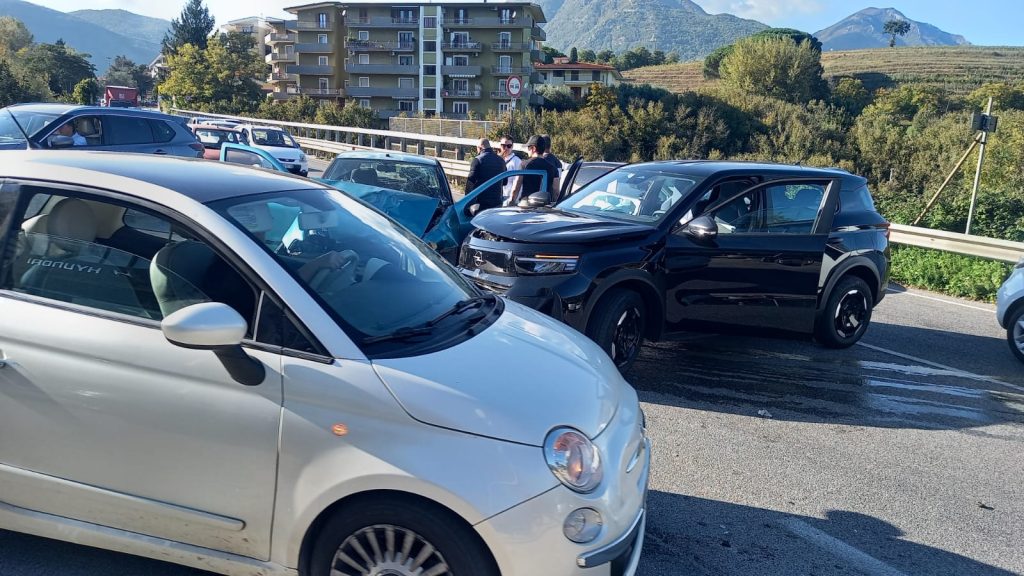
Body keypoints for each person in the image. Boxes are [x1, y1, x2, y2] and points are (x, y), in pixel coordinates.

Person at [464, 138, 506, 214]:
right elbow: (505, 182)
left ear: (479, 148)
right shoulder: (501, 160)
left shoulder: (477, 160)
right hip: (497, 201)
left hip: (481, 203)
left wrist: (466, 202)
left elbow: (470, 183)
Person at [520, 135, 559, 204]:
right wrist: (556, 204)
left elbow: (516, 187)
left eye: (528, 148)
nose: (527, 150)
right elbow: (556, 191)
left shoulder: (524, 165)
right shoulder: (553, 168)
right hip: (544, 206)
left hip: (527, 205)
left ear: (533, 148)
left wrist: (511, 201)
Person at [498, 134, 522, 205]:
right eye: (503, 146)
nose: (506, 148)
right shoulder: (497, 160)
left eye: (509, 146)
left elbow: (518, 182)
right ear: (500, 146)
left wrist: (513, 199)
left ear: (512, 146)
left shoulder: (517, 161)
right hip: (499, 197)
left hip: (510, 199)